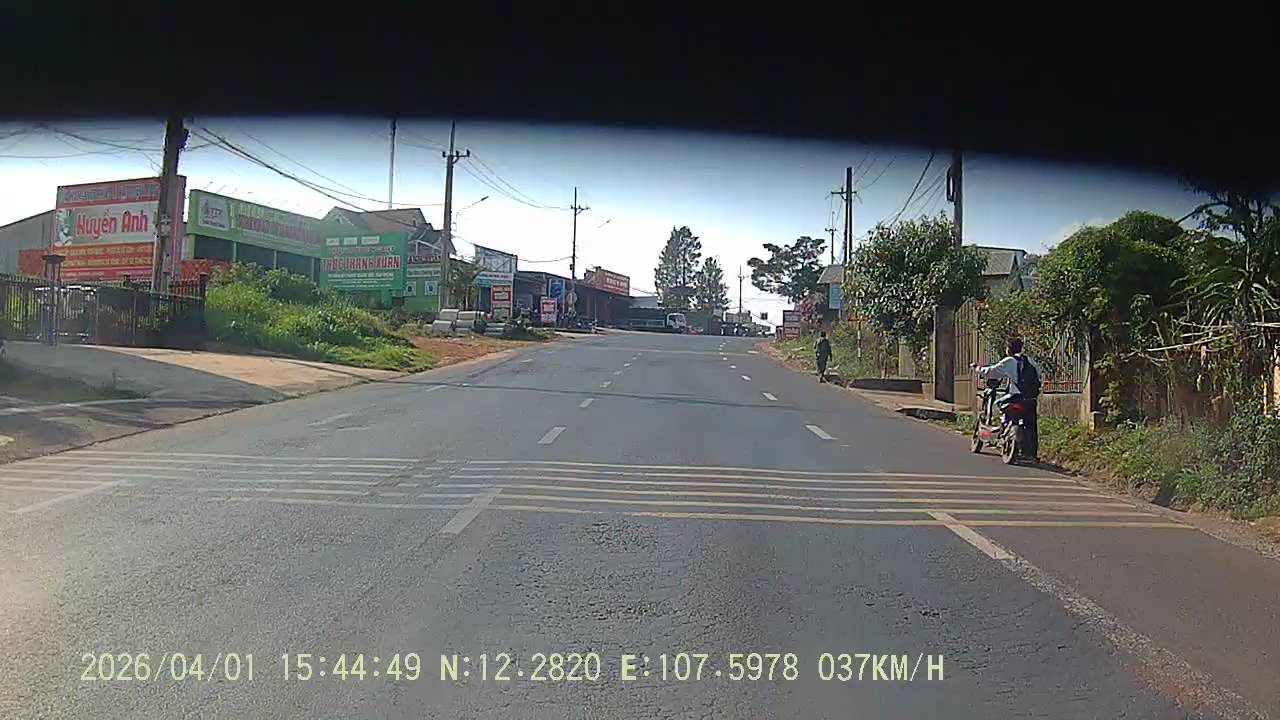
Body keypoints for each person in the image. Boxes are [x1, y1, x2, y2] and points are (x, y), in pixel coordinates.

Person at [974, 337, 1040, 460]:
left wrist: (977, 369)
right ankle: (1031, 454)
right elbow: (1039, 376)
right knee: (1031, 426)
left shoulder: (1010, 361)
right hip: (1031, 399)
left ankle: (1000, 427)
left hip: (1016, 398)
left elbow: (991, 372)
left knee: (998, 404)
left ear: (1008, 349)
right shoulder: (1030, 361)